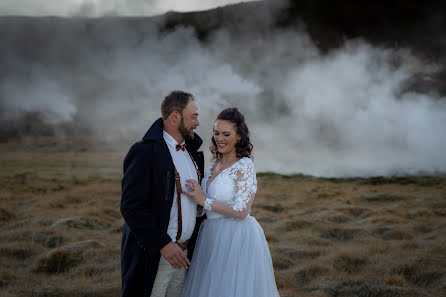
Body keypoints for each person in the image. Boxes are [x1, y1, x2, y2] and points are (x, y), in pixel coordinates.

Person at [181, 107, 280, 297]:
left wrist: (204, 200)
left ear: (239, 137)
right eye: (216, 133)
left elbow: (242, 211)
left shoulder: (245, 165)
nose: (220, 138)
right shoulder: (212, 165)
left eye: (226, 134)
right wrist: (198, 205)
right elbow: (205, 205)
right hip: (210, 235)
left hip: (236, 237)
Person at [120, 90, 205, 297]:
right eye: (193, 116)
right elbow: (131, 207)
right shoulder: (144, 151)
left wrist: (201, 206)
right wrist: (162, 244)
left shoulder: (192, 154)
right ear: (175, 116)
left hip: (183, 256)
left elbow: (186, 202)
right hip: (155, 255)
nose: (197, 123)